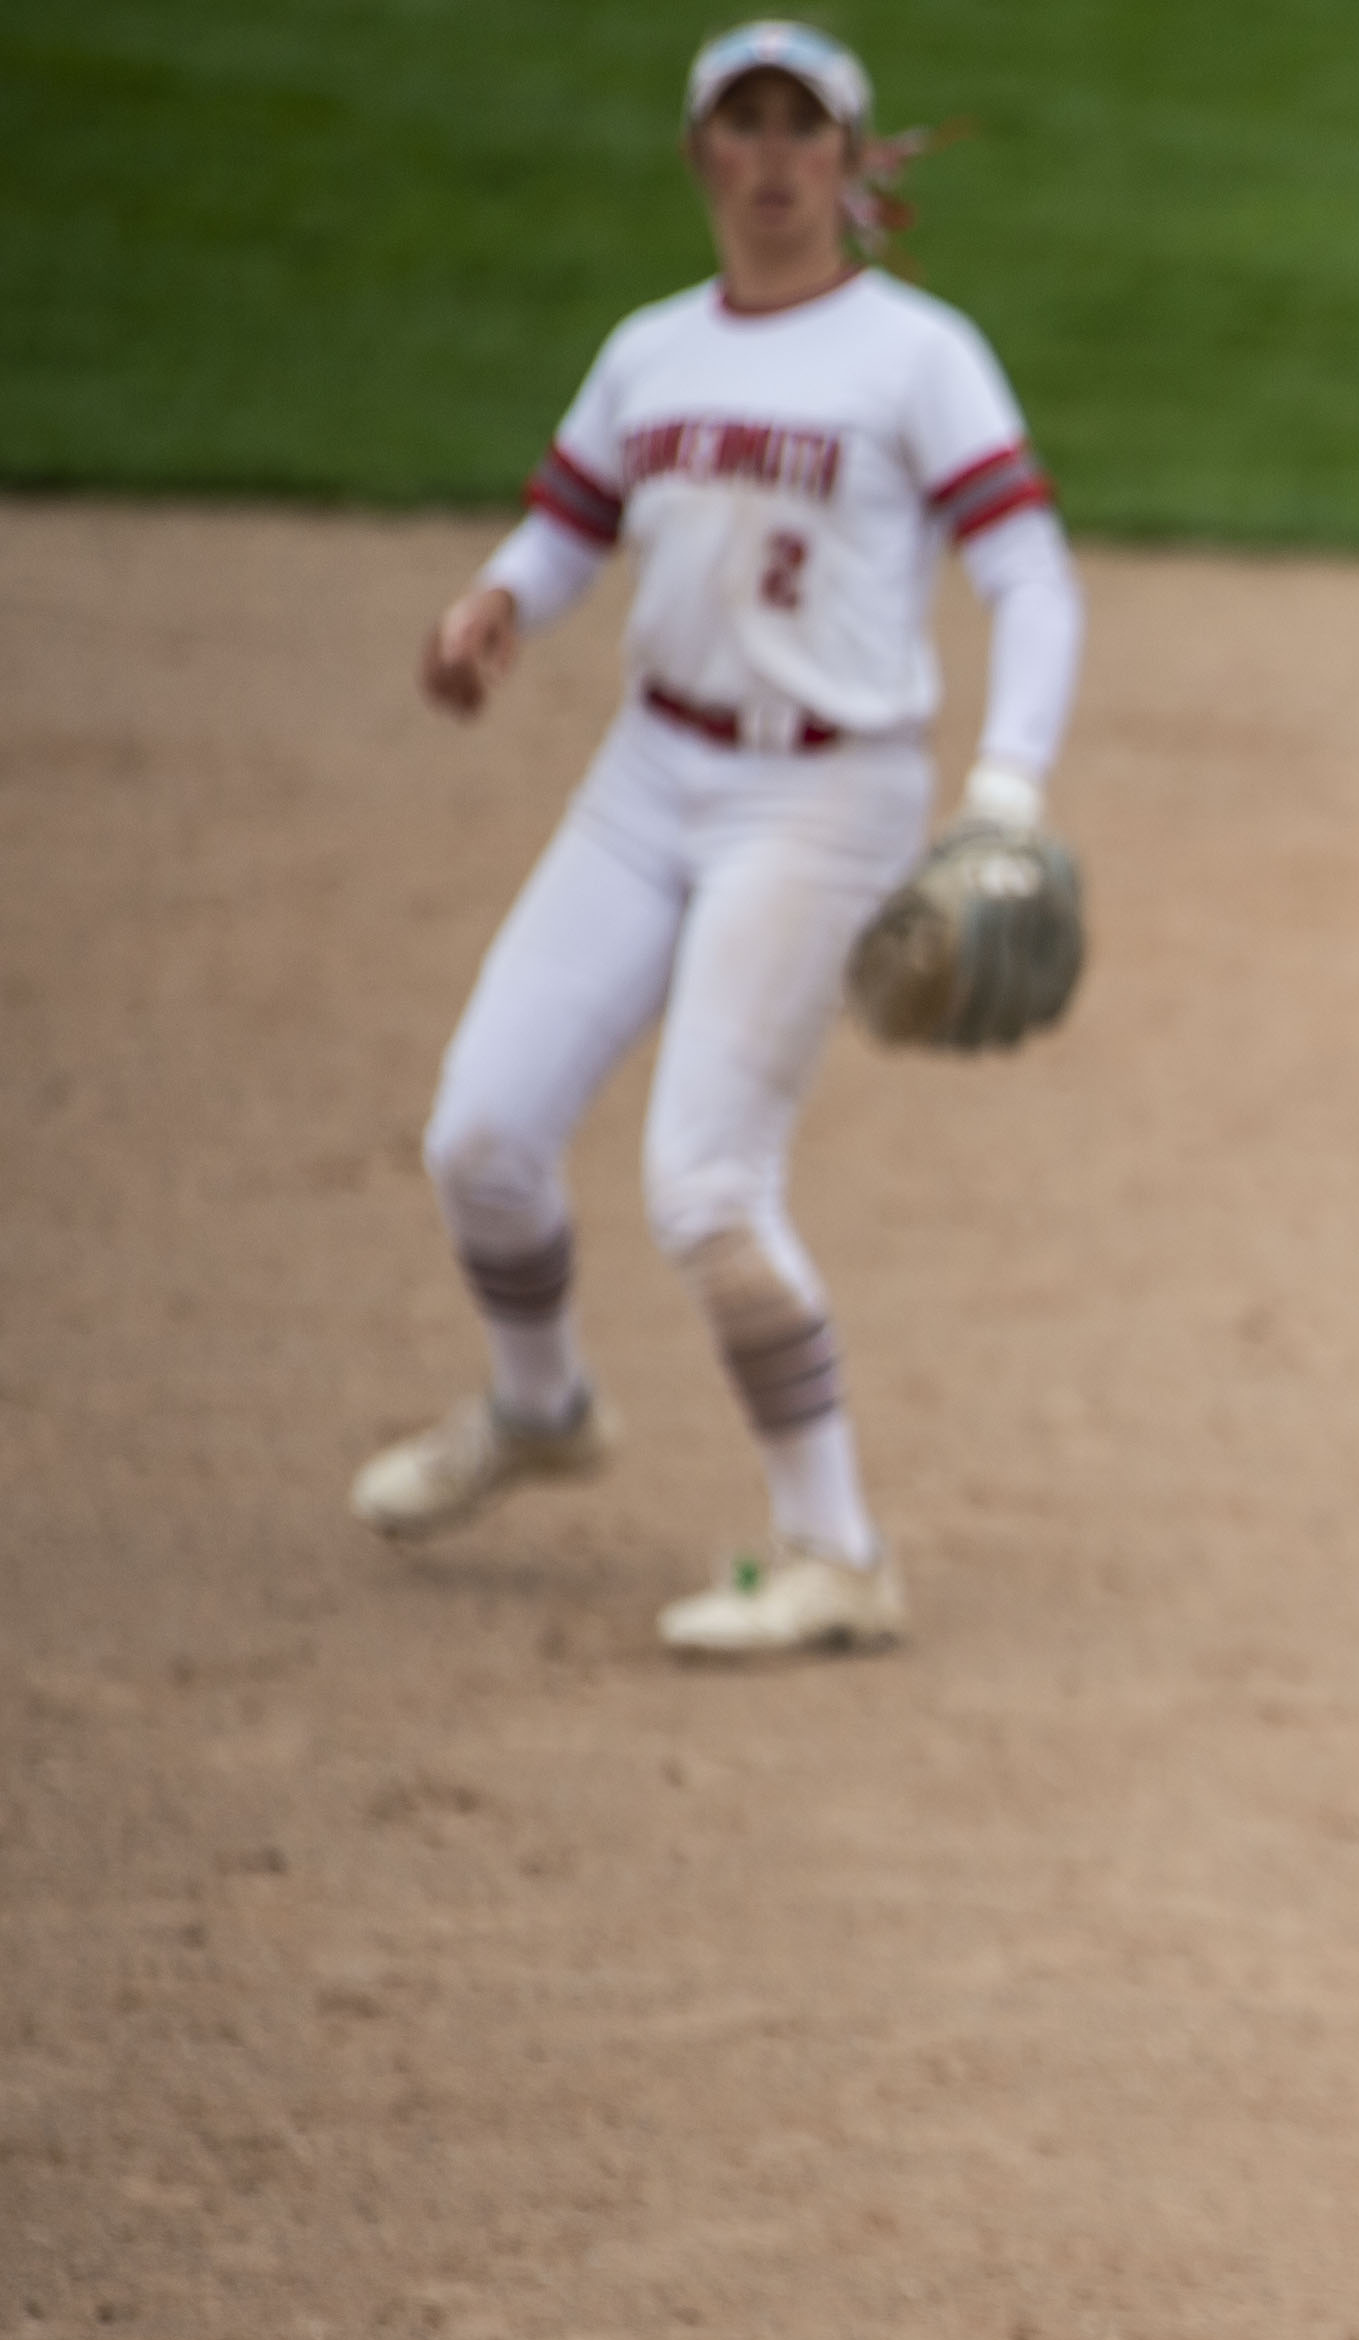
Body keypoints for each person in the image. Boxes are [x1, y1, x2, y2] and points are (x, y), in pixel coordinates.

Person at [347, 22, 1084, 1656]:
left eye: (798, 129)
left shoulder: (916, 355)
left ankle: (837, 1549)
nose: (769, 158)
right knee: (480, 1132)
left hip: (828, 792)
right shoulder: (649, 352)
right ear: (699, 157)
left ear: (850, 160)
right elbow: (568, 524)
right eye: (739, 127)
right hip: (647, 770)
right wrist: (493, 608)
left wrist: (1006, 789)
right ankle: (540, 1408)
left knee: (705, 1182)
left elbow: (1029, 574)